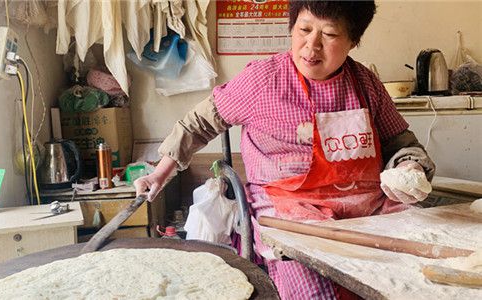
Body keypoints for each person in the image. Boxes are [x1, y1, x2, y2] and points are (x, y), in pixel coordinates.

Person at [135, 1, 435, 299]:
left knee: (418, 278)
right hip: (291, 216)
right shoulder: (263, 80)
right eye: (304, 29)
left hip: (366, 213)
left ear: (353, 41)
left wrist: (410, 169)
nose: (312, 45)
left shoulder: (366, 84)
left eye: (329, 35)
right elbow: (198, 123)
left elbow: (402, 145)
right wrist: (160, 174)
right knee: (316, 292)